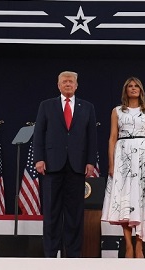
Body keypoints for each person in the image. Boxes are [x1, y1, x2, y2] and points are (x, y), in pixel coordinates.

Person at [33, 71, 98, 257]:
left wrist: (90, 162)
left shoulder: (87, 107)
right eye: (64, 81)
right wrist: (39, 158)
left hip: (77, 167)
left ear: (76, 85)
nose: (68, 84)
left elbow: (91, 137)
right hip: (52, 166)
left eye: (71, 81)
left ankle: (73, 256)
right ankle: (50, 255)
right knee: (52, 213)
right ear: (58, 85)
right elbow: (39, 134)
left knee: (74, 215)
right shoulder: (46, 106)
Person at [101, 77, 145, 258]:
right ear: (125, 90)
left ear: (141, 90)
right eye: (130, 86)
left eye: (136, 86)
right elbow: (112, 137)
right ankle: (128, 244)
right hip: (123, 156)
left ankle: (139, 245)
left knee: (143, 200)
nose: (133, 88)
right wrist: (111, 164)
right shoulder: (117, 111)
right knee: (125, 200)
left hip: (144, 157)